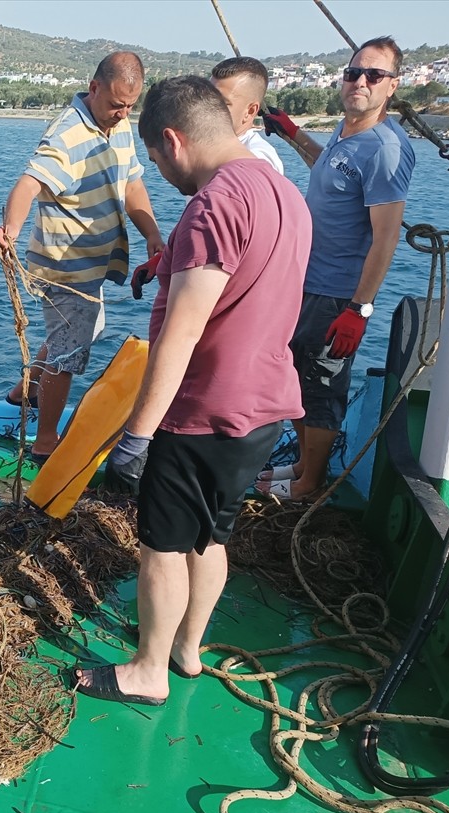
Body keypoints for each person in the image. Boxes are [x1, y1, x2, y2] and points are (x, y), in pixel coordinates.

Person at [75, 76, 311, 705]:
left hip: (202, 411)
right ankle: (186, 649)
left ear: (173, 140)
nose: (160, 170)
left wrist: (139, 436)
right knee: (212, 535)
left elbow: (181, 334)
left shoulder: (213, 206)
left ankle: (147, 670)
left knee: (162, 544)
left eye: (155, 158)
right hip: (262, 407)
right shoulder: (283, 190)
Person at [257, 36, 415, 499]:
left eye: (374, 75)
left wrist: (358, 309)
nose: (360, 81)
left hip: (338, 292)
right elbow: (326, 166)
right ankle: (304, 467)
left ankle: (309, 484)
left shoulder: (384, 148)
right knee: (298, 378)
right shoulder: (348, 134)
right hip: (306, 281)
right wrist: (290, 132)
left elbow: (385, 238)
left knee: (322, 387)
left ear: (392, 86)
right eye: (353, 73)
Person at [0, 52, 164, 464]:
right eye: (115, 105)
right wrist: (10, 229)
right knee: (68, 356)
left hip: (97, 265)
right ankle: (46, 440)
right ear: (94, 88)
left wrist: (153, 234)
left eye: (130, 106)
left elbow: (133, 182)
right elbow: (29, 183)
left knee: (71, 339)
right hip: (64, 266)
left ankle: (26, 390)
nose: (122, 114)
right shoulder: (67, 134)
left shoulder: (119, 127)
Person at [210, 56, 284, 175]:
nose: (208, 107)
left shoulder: (260, 158)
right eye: (207, 99)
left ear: (250, 111)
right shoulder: (208, 149)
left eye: (222, 103)